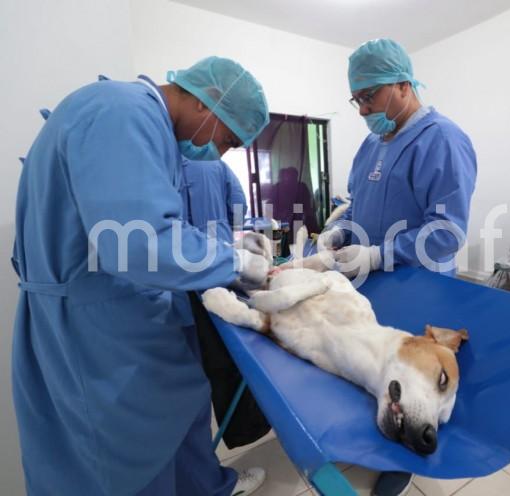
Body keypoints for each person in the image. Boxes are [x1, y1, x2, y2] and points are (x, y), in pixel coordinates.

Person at [11, 56, 272, 495]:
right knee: (125, 460)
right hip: (98, 333)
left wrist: (223, 248)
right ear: (209, 102)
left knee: (179, 425)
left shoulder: (139, 124)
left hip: (120, 314)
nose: (220, 154)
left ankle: (210, 487)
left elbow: (151, 221)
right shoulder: (123, 113)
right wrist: (235, 264)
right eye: (226, 140)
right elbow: (140, 241)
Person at [321, 38, 477, 496]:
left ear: (404, 85)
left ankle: (399, 462)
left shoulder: (443, 139)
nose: (362, 108)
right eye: (357, 99)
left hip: (418, 286)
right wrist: (340, 231)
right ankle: (367, 440)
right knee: (372, 371)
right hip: (369, 287)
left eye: (370, 96)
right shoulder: (372, 144)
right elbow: (358, 205)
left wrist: (377, 254)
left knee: (412, 387)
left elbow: (447, 232)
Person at [181, 158, 274, 450]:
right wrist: (228, 238)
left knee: (199, 355)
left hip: (179, 275)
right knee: (228, 352)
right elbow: (238, 205)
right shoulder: (213, 162)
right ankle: (247, 429)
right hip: (219, 265)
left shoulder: (161, 157)